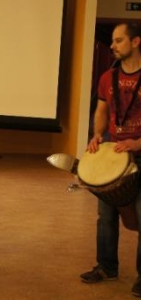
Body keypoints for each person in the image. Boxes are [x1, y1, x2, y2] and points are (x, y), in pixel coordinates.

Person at [80, 22, 141, 297]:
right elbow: (102, 110)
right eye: (113, 41)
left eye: (119, 41)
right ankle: (106, 266)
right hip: (115, 152)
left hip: (139, 152)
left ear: (136, 42)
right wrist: (96, 135)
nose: (113, 46)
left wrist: (137, 142)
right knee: (105, 216)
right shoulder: (108, 77)